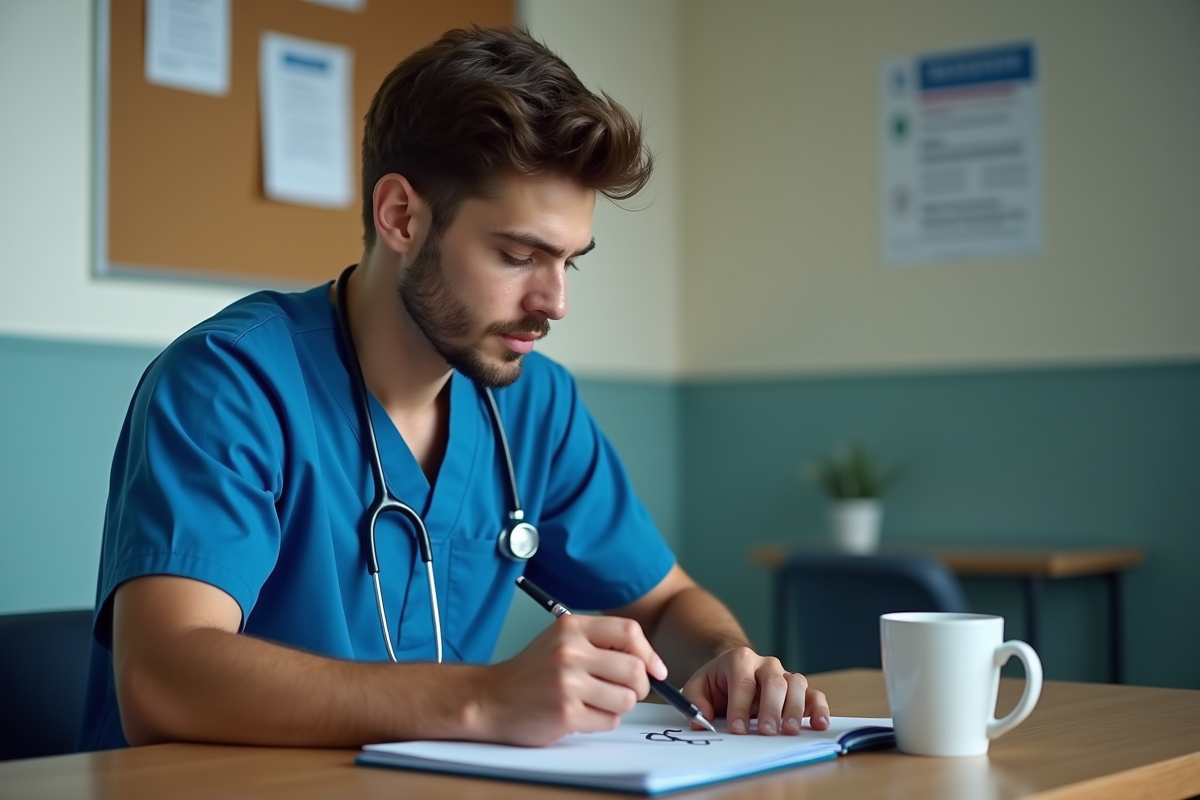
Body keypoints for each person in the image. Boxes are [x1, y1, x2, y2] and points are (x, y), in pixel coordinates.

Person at [79, 25, 829, 751]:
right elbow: (162, 677)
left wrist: (731, 658)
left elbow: (667, 603)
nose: (555, 301)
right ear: (401, 216)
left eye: (570, 262)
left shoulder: (535, 407)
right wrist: (484, 698)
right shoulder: (230, 382)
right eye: (518, 255)